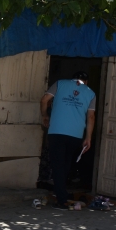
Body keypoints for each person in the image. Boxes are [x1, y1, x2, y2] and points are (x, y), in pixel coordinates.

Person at [40, 71, 96, 210]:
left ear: (73, 79)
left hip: (57, 131)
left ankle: (62, 200)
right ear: (86, 81)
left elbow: (44, 100)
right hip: (76, 134)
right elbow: (91, 117)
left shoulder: (60, 84)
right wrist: (88, 137)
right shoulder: (90, 93)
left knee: (58, 165)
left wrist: (45, 116)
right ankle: (61, 193)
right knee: (65, 164)